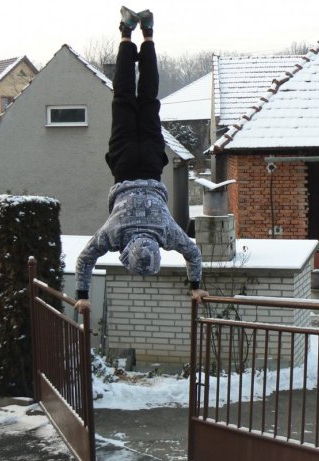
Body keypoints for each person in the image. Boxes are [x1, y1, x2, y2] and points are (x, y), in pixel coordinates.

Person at [74, 7, 208, 313]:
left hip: (150, 162)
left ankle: (147, 32)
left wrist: (196, 287)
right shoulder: (114, 232)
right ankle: (125, 32)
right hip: (122, 163)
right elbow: (86, 258)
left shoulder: (165, 230)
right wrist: (82, 294)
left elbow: (193, 253)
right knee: (123, 96)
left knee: (148, 99)